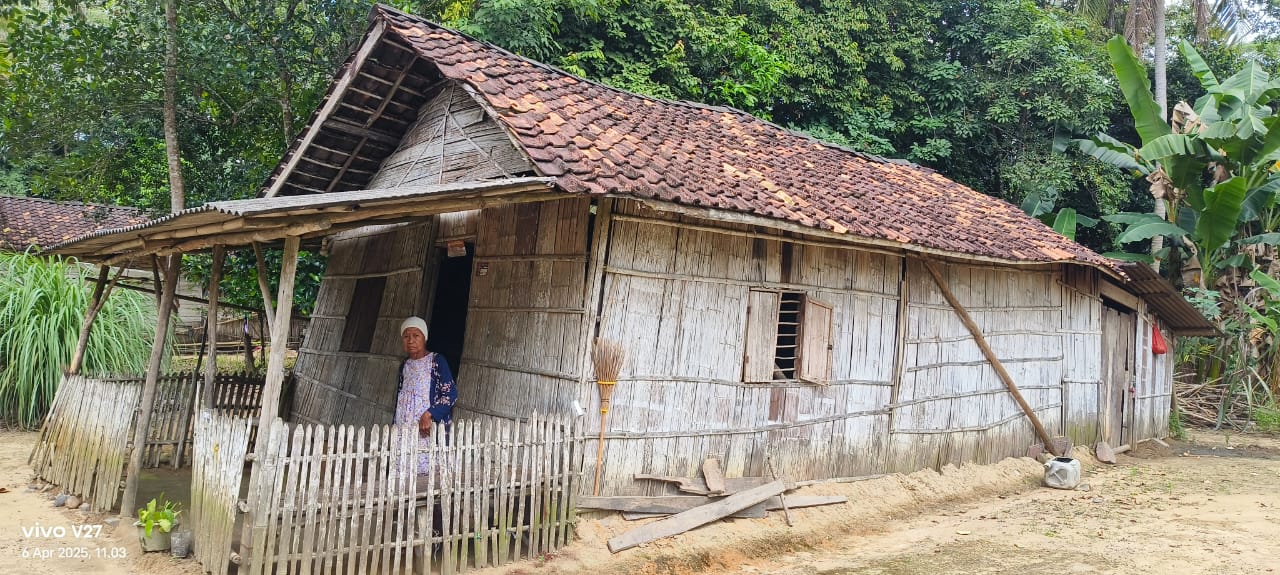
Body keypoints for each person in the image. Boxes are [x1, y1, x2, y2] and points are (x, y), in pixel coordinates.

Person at [394, 316, 457, 474]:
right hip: (404, 428)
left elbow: (450, 394)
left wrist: (429, 415)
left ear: (425, 338)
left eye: (416, 336)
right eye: (406, 336)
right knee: (403, 470)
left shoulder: (437, 361)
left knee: (428, 473)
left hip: (426, 429)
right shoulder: (405, 365)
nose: (411, 340)